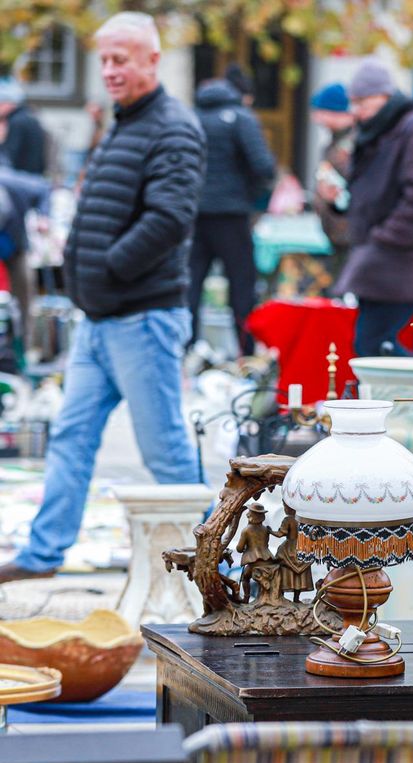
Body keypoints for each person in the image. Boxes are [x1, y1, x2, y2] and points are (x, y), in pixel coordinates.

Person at [0, 12, 206, 583]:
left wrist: (110, 268)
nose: (110, 70)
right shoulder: (125, 120)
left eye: (122, 59)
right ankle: (43, 555)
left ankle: (228, 561)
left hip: (142, 319)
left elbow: (169, 219)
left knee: (166, 454)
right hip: (102, 320)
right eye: (105, 59)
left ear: (152, 61)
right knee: (70, 437)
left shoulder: (173, 126)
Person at [330, 58, 413, 357]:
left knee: (372, 346)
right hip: (375, 256)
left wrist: (385, 237)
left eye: (362, 101)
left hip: (397, 258)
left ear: (384, 96)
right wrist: (341, 204)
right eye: (352, 102)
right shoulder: (376, 133)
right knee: (371, 345)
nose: (355, 110)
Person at [188, 73, 275, 356]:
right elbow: (264, 166)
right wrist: (250, 196)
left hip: (195, 214)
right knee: (241, 285)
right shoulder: (241, 118)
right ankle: (245, 355)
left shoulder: (191, 117)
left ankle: (186, 351)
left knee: (190, 284)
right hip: (232, 214)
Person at [310, 82, 355, 279]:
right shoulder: (334, 142)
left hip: (350, 233)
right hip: (338, 232)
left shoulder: (353, 144)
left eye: (320, 110)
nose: (316, 117)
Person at [0, 166, 50, 335]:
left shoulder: (15, 184)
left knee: (24, 292)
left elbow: (45, 188)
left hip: (14, 244)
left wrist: (44, 216)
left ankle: (22, 347)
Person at [0, 79, 46, 176]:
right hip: (34, 175)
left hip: (25, 176)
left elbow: (9, 159)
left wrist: (2, 141)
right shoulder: (27, 116)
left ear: (10, 103)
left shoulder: (16, 122)